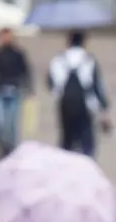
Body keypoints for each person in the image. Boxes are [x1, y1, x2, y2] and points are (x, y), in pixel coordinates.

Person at [47, 30, 110, 158]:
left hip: (65, 105)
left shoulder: (58, 59)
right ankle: (86, 171)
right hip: (84, 106)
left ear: (68, 41)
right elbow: (97, 87)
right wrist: (104, 109)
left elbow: (50, 83)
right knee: (87, 143)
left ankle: (64, 169)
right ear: (83, 42)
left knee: (66, 141)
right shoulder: (89, 60)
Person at [0, 27, 32, 158]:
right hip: (0, 91)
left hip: (14, 90)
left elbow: (25, 72)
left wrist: (29, 89)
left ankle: (11, 150)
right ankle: (1, 146)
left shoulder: (19, 54)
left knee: (11, 124)